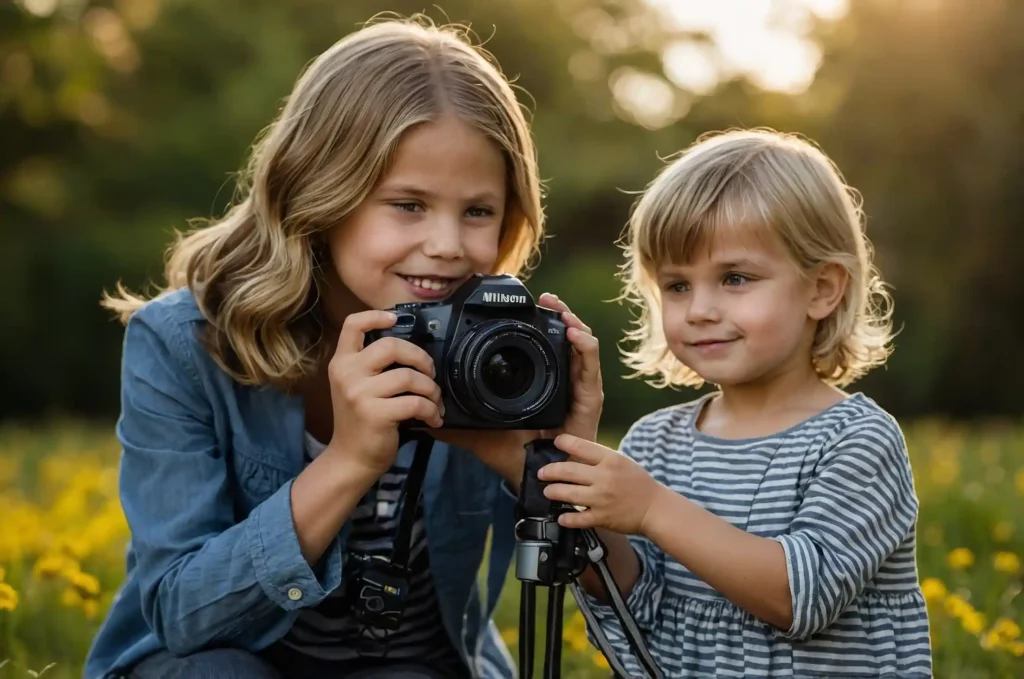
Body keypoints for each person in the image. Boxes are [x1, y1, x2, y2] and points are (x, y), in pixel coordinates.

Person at [85, 16, 603, 679]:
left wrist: (557, 465)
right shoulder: (185, 342)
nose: (447, 243)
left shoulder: (497, 354)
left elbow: (599, 597)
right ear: (319, 193)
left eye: (478, 211)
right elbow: (184, 617)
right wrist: (350, 461)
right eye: (409, 204)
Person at [538, 128, 933, 678]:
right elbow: (638, 603)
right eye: (677, 286)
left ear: (823, 289)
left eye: (735, 278)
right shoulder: (656, 442)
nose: (699, 309)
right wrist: (581, 499)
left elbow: (801, 598)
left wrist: (651, 508)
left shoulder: (856, 440)